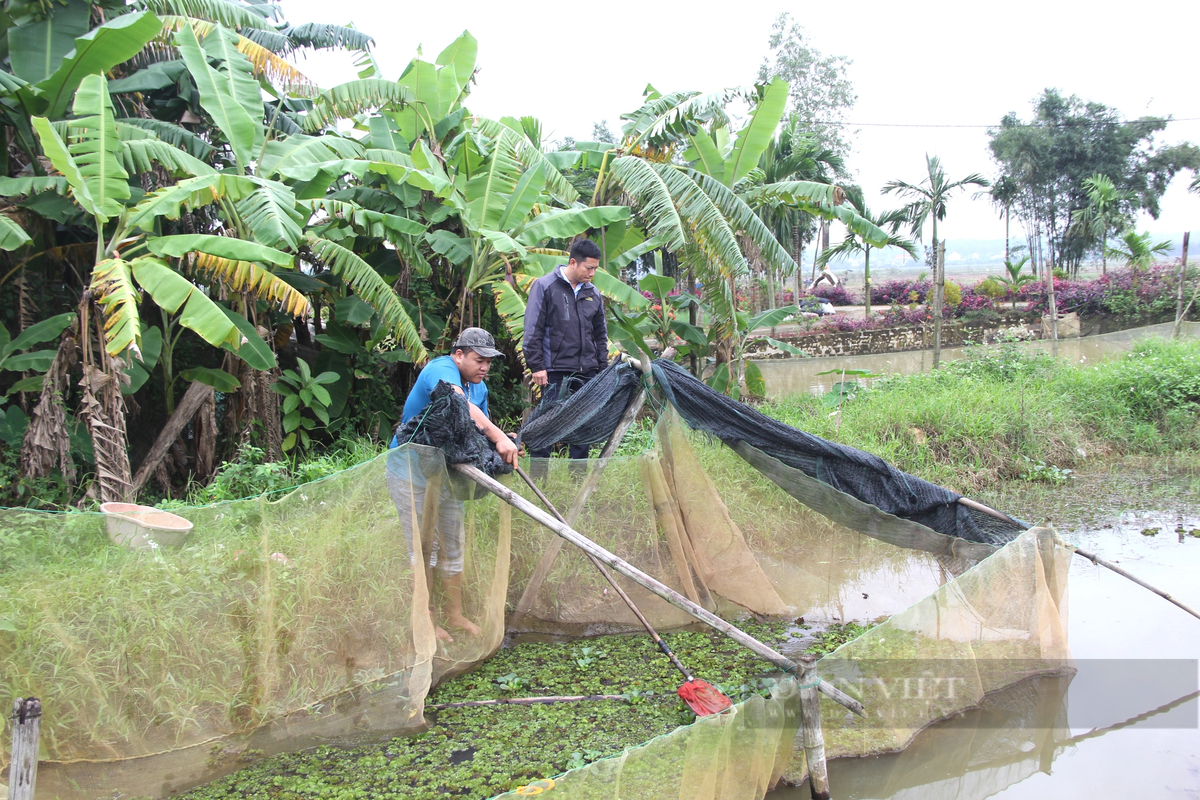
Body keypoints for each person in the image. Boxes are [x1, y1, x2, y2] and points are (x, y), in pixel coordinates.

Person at [386, 328, 518, 643]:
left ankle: (455, 614)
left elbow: (478, 428)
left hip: (449, 475)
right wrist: (498, 435)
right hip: (410, 473)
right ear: (458, 355)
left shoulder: (480, 387)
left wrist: (504, 442)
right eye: (478, 360)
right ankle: (426, 619)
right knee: (423, 548)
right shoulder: (441, 370)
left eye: (489, 361)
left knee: (453, 544)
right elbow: (458, 406)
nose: (484, 367)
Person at [522, 238, 609, 461]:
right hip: (555, 370)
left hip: (587, 371)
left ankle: (577, 479)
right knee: (548, 423)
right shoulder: (545, 286)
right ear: (573, 262)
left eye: (595, 269)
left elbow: (600, 335)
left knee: (583, 425)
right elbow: (533, 330)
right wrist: (537, 366)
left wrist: (602, 368)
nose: (592, 274)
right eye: (589, 268)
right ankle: (539, 478)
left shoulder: (593, 293)